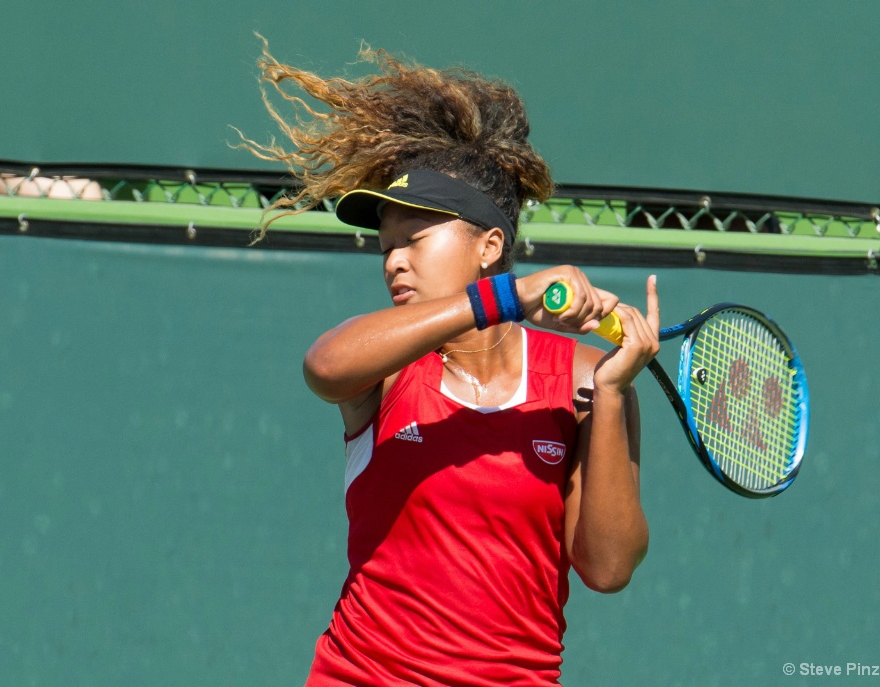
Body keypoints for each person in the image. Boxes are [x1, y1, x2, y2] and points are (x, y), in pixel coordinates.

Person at [239, 38, 660, 687]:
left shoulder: (582, 378)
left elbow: (606, 566)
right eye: (385, 246)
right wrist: (506, 298)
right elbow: (324, 366)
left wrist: (609, 396)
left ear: (490, 244)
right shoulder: (384, 366)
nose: (393, 261)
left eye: (414, 240)